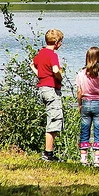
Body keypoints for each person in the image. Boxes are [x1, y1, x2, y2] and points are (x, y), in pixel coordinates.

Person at [31, 28, 65, 162]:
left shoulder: (41, 53)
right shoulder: (52, 55)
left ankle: (48, 152)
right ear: (57, 42)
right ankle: (48, 153)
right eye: (61, 41)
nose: (61, 44)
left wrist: (40, 75)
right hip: (51, 89)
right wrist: (59, 78)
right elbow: (56, 69)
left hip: (43, 89)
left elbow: (32, 64)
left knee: (51, 118)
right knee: (55, 119)